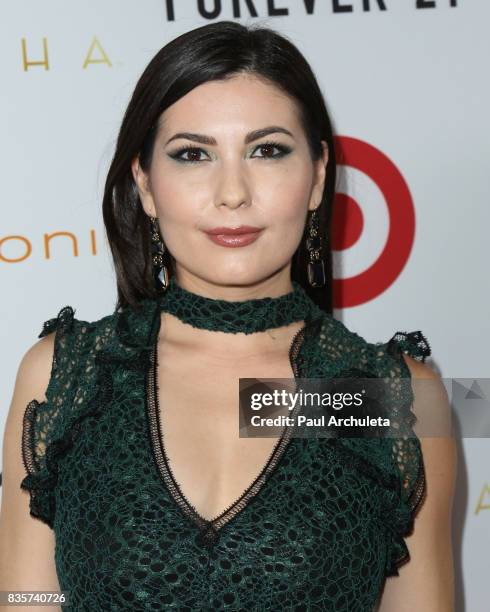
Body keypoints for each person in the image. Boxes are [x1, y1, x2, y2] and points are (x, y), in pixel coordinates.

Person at [0, 20, 456, 612]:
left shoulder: (387, 397)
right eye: (193, 155)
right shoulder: (68, 375)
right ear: (145, 184)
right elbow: (26, 596)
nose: (233, 192)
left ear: (317, 176)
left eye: (267, 151)